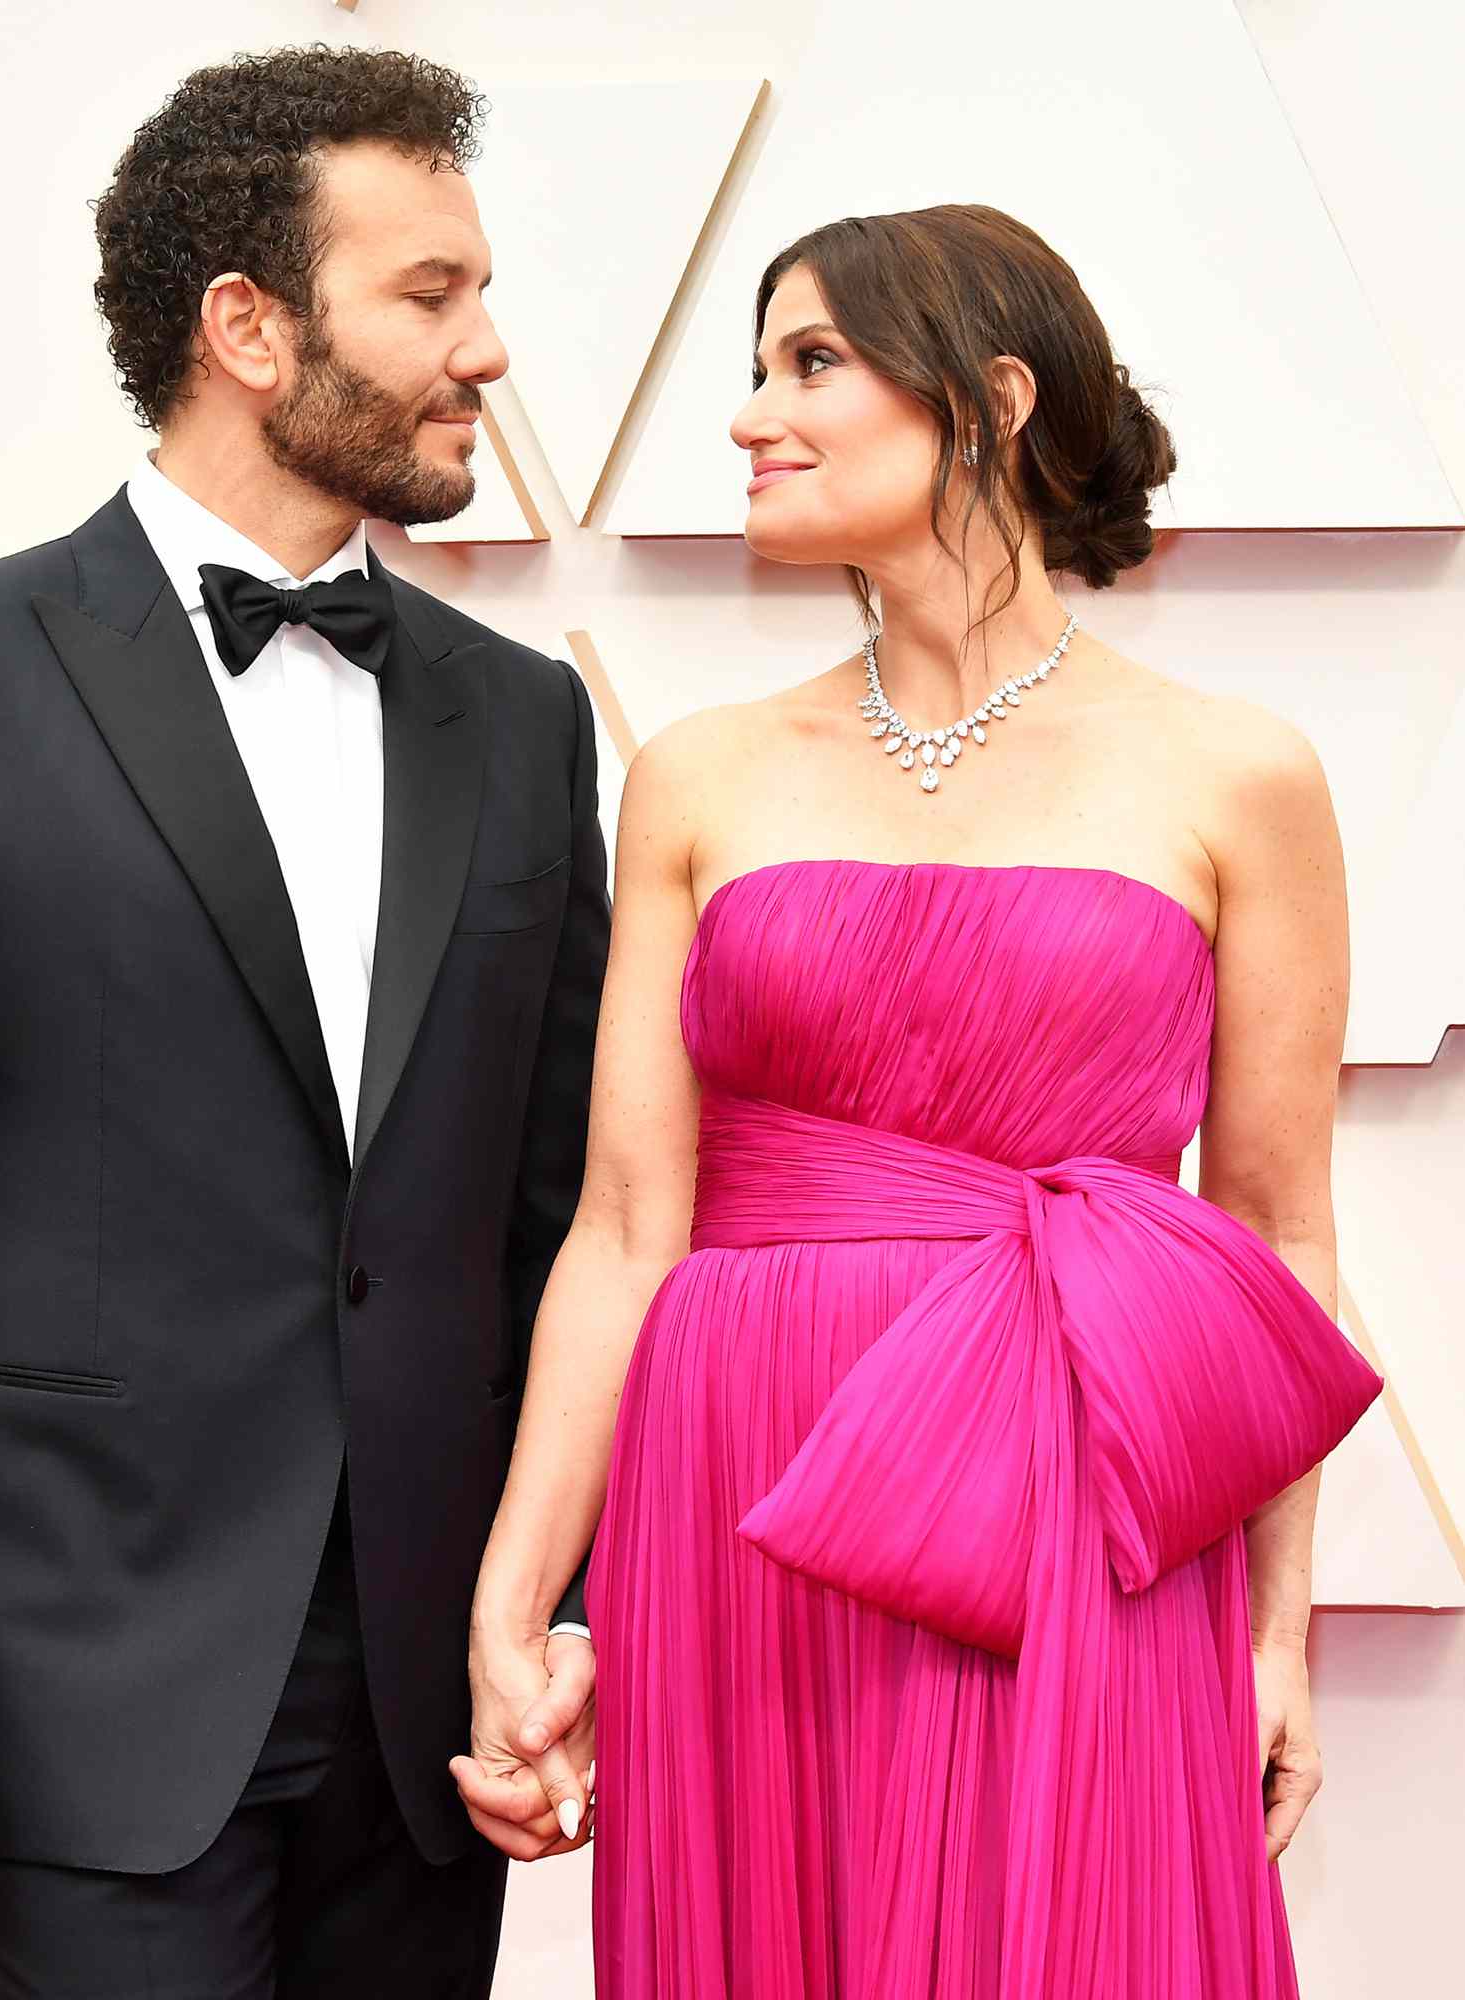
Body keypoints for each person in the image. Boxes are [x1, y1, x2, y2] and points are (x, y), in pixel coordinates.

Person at [0, 45, 605, 1999]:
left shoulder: (524, 721)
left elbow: (562, 1229)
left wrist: (562, 1611)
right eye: (432, 292)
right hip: (84, 1689)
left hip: (425, 1713)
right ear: (249, 330)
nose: (490, 351)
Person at [458, 204, 1383, 1996]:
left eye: (809, 363)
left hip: (1078, 1490)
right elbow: (631, 1225)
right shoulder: (697, 776)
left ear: (988, 402)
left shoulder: (1236, 775)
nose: (746, 415)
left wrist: (1277, 1635)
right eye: (750, 368)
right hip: (738, 1490)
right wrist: (518, 1601)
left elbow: (1273, 1238)